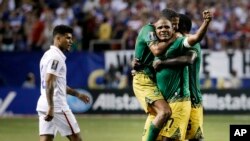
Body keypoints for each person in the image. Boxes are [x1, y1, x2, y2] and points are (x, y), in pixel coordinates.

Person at [143, 9, 212, 141]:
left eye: (174, 24)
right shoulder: (172, 43)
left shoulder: (187, 41)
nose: (172, 27)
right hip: (176, 97)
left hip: (190, 99)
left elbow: (189, 59)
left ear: (180, 26)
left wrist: (163, 63)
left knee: (193, 137)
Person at [36, 25, 90, 141]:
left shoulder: (47, 55)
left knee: (46, 139)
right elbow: (49, 80)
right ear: (58, 39)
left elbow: (56, 83)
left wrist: (77, 94)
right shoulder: (56, 57)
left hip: (44, 103)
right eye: (68, 38)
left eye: (71, 38)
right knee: (76, 138)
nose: (71, 41)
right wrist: (51, 106)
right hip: (56, 105)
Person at [132, 9, 174, 141]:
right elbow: (156, 50)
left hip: (155, 80)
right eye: (163, 26)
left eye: (170, 27)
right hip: (144, 79)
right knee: (164, 112)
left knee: (160, 116)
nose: (167, 30)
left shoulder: (164, 38)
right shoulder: (149, 30)